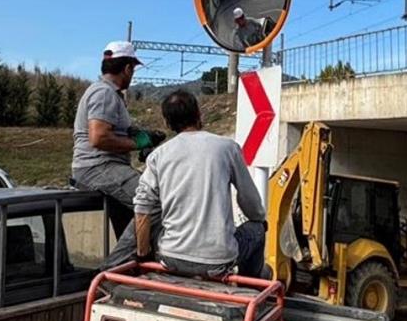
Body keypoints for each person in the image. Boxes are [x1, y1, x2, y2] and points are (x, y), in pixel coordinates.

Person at [133, 90, 267, 278]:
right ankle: (248, 288)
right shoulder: (227, 148)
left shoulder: (158, 155)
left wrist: (143, 257)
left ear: (166, 123)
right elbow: (250, 203)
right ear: (198, 113)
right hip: (218, 262)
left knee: (158, 226)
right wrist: (259, 218)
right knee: (257, 229)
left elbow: (142, 210)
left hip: (171, 259)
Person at [71, 41, 163, 240]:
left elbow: (113, 130)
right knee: (154, 201)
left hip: (103, 167)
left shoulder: (109, 94)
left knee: (133, 214)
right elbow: (99, 137)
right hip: (98, 167)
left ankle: (132, 261)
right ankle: (124, 258)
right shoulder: (104, 93)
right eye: (133, 69)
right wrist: (137, 144)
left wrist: (141, 135)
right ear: (127, 68)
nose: (133, 74)